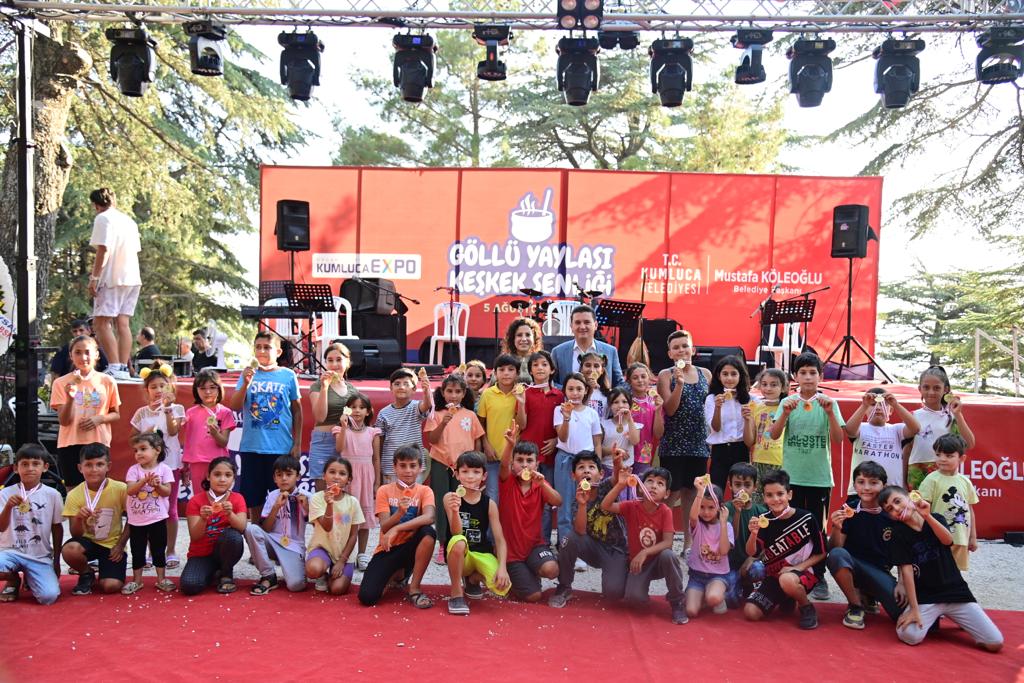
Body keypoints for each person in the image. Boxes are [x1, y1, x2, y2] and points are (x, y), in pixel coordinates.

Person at [880, 486, 1002, 651]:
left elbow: (947, 540)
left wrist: (927, 516)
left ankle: (957, 616)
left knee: (995, 642)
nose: (896, 508)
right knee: (909, 635)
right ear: (890, 516)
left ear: (911, 497)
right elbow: (907, 572)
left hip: (955, 592)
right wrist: (914, 609)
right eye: (890, 509)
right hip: (927, 597)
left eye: (897, 501)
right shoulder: (897, 534)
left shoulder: (936, 518)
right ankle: (934, 615)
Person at [769, 351, 844, 599]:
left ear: (821, 376)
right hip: (792, 478)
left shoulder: (829, 403)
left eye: (813, 372)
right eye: (803, 372)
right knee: (789, 525)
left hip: (819, 478)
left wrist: (830, 413)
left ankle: (819, 576)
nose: (808, 377)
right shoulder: (787, 402)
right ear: (795, 376)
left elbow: (838, 438)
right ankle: (784, 571)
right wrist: (785, 413)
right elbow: (774, 434)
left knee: (817, 530)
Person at [228, 331, 302, 521]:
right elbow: (234, 405)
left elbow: (297, 410)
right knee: (254, 500)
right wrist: (246, 383)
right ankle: (257, 536)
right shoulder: (247, 374)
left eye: (267, 347)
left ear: (278, 351)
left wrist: (297, 443)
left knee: (282, 497)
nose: (262, 351)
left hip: (280, 447)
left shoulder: (288, 375)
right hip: (252, 447)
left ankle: (282, 536)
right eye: (258, 347)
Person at [600, 467, 688, 625]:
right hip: (638, 565)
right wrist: (620, 485)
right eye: (650, 481)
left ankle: (677, 601)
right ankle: (633, 586)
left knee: (668, 555)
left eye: (660, 483)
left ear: (667, 494)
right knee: (634, 599)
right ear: (640, 487)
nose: (654, 486)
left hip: (658, 563)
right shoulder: (631, 506)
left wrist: (645, 552)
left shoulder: (665, 511)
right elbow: (605, 505)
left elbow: (668, 543)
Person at [743, 469, 827, 630]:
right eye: (769, 495)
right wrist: (753, 534)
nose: (775, 499)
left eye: (780, 494)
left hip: (804, 573)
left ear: (789, 494)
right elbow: (751, 553)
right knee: (751, 612)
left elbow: (822, 552)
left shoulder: (807, 518)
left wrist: (796, 568)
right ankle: (788, 597)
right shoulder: (763, 520)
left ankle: (806, 607)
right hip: (775, 575)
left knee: (787, 580)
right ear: (764, 498)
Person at [357, 445, 437, 608]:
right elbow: (385, 527)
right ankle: (398, 574)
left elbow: (429, 517)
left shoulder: (425, 491)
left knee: (428, 532)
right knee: (367, 597)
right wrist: (399, 512)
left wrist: (397, 528)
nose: (408, 470)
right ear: (394, 467)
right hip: (388, 548)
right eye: (403, 465)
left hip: (412, 547)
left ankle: (414, 588)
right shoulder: (384, 490)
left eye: (412, 466)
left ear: (420, 468)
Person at [826, 461, 903, 630]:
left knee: (902, 614)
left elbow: (904, 553)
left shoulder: (891, 514)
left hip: (880, 571)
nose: (866, 488)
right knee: (837, 555)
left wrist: (902, 583)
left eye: (873, 483)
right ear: (854, 485)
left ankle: (869, 594)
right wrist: (837, 528)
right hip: (853, 567)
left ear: (884, 486)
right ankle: (855, 605)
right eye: (861, 482)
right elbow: (834, 549)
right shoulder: (849, 509)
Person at [548, 450, 629, 608]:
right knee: (568, 539)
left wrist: (617, 462)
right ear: (573, 476)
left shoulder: (606, 486)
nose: (586, 471)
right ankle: (564, 586)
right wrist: (582, 504)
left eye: (591, 467)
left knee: (613, 593)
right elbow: (580, 532)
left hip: (616, 551)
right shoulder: (575, 502)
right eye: (581, 467)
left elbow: (617, 477)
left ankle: (622, 573)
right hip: (594, 550)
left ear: (601, 474)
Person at [657, 330, 711, 552]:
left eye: (685, 346)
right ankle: (662, 541)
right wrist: (679, 384)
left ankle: (689, 543)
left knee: (691, 495)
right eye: (676, 347)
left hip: (699, 444)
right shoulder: (665, 375)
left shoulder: (706, 374)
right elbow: (670, 410)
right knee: (671, 494)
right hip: (673, 444)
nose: (681, 350)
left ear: (693, 349)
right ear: (670, 353)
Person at [129, 360, 186, 569]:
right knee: (148, 507)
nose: (158, 390)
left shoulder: (177, 409)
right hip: (146, 468)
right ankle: (150, 552)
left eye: (162, 385)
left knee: (170, 508)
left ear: (170, 387)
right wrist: (146, 434)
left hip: (170, 466)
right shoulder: (141, 413)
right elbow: (132, 439)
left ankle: (170, 551)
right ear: (147, 390)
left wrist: (168, 409)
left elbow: (173, 431)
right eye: (153, 387)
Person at [442, 451, 512, 615]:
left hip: (481, 553)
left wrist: (502, 568)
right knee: (459, 541)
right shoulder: (450, 497)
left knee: (502, 586)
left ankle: (472, 579)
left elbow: (500, 540)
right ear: (457, 475)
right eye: (465, 471)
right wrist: (455, 511)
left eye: (476, 472)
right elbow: (456, 532)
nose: (470, 476)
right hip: (459, 553)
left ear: (484, 476)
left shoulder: (490, 504)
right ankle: (456, 593)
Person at [50, 335, 121, 489]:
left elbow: (116, 414)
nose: (83, 357)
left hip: (98, 442)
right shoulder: (60, 383)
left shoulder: (107, 381)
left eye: (87, 352)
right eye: (78, 352)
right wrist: (70, 398)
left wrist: (99, 419)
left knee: (98, 490)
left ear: (96, 354)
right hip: (70, 443)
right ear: (71, 355)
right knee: (73, 492)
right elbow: (64, 421)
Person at [425, 374, 484, 558]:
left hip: (464, 467)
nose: (453, 395)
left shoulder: (470, 415)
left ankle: (460, 540)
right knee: (442, 502)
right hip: (441, 463)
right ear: (442, 392)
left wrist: (477, 465)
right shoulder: (436, 414)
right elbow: (432, 439)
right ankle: (443, 542)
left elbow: (477, 441)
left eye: (458, 391)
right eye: (449, 391)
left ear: (464, 393)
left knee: (462, 502)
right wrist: (443, 423)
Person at [498, 431, 561, 603]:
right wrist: (510, 445)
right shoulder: (507, 481)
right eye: (519, 460)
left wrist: (543, 485)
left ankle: (531, 571)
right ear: (513, 464)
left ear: (537, 464)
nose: (525, 465)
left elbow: (558, 501)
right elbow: (503, 465)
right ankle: (517, 577)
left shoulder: (540, 483)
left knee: (552, 570)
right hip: (512, 553)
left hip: (535, 546)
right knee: (534, 596)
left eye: (529, 460)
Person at [87, 187, 141, 380]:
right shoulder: (129, 221)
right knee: (123, 323)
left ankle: (115, 366)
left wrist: (94, 277)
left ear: (96, 205)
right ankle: (123, 368)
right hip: (132, 277)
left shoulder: (103, 218)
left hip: (112, 278)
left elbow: (104, 249)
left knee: (101, 322)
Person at [60, 443, 129, 595]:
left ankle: (107, 571)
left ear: (108, 466)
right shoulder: (74, 495)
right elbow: (75, 534)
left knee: (111, 586)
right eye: (88, 465)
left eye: (99, 464)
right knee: (70, 550)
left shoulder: (121, 489)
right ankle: (86, 573)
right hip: (87, 543)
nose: (94, 469)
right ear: (80, 468)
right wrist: (79, 518)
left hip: (112, 545)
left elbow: (132, 519)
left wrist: (120, 545)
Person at [0, 444, 64, 605]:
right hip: (10, 552)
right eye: (25, 464)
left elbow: (57, 527)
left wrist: (56, 561)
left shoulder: (53, 495)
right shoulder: (4, 493)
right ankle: (13, 579)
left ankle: (31, 576)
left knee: (48, 597)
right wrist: (8, 507)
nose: (30, 468)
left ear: (45, 467)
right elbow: (1, 527)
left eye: (36, 464)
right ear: (16, 468)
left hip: (39, 556)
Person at [180, 457, 247, 595]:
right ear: (208, 476)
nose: (222, 479)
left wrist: (230, 514)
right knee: (189, 586)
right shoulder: (195, 501)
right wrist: (203, 519)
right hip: (201, 554)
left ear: (233, 478)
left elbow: (241, 528)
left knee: (233, 537)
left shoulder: (237, 498)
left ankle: (226, 573)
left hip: (226, 551)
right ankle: (213, 572)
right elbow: (195, 536)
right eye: (217, 474)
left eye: (228, 475)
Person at [245, 455, 309, 594]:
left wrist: (307, 508)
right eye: (279, 475)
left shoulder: (306, 497)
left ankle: (297, 568)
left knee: (296, 586)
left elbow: (318, 525)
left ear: (298, 476)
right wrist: (276, 507)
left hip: (294, 547)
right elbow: (266, 528)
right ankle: (268, 575)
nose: (284, 478)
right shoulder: (272, 496)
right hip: (273, 542)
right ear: (274, 478)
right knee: (251, 529)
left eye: (289, 474)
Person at [122, 432, 176, 594]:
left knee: (159, 549)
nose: (138, 453)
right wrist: (144, 481)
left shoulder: (165, 469)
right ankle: (137, 581)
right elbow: (130, 490)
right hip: (136, 520)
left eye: (143, 449)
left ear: (157, 450)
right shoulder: (133, 470)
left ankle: (161, 579)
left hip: (158, 518)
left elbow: (167, 492)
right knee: (137, 550)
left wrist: (157, 486)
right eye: (136, 450)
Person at [905, 366, 975, 490]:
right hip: (917, 474)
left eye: (937, 388)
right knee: (920, 503)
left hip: (945, 472)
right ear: (920, 389)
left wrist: (958, 415)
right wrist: (902, 479)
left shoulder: (952, 416)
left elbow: (969, 444)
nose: (931, 392)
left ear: (945, 389)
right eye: (926, 387)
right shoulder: (913, 416)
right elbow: (906, 450)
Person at [553, 373, 602, 544]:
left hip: (586, 463)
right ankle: (566, 544)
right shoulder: (559, 410)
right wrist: (567, 417)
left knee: (586, 502)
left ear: (586, 390)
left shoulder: (591, 413)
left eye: (579, 389)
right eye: (571, 389)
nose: (575, 393)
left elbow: (597, 442)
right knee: (565, 505)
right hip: (565, 461)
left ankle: (585, 545)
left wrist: (597, 466)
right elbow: (562, 437)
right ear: (565, 391)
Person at [917, 434, 978, 572]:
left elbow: (970, 510)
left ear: (962, 458)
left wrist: (973, 537)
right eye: (938, 454)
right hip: (938, 538)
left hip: (961, 538)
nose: (942, 459)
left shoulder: (965, 482)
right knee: (937, 572)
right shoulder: (931, 480)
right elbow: (922, 511)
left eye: (949, 455)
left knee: (956, 573)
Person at [334, 393, 381, 571]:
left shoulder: (373, 432)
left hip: (366, 477)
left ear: (368, 411)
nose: (357, 411)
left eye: (361, 407)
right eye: (353, 407)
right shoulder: (340, 430)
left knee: (364, 516)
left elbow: (376, 458)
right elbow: (339, 448)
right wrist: (343, 427)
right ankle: (345, 554)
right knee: (346, 516)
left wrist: (377, 483)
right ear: (346, 410)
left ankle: (362, 554)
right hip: (347, 476)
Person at [305, 456, 364, 595]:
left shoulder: (353, 502)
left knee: (337, 589)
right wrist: (330, 505)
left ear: (349, 480)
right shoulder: (317, 498)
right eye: (332, 472)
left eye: (342, 473)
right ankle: (322, 573)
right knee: (313, 569)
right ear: (324, 476)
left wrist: (342, 561)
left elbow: (353, 535)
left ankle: (331, 575)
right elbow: (327, 527)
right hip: (323, 549)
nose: (336, 477)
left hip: (344, 554)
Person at [845, 387, 920, 491]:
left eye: (884, 404)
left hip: (891, 492)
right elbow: (849, 430)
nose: (878, 408)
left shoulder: (897, 430)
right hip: (862, 491)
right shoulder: (860, 428)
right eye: (873, 404)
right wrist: (864, 405)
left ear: (891, 410)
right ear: (865, 409)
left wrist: (895, 404)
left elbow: (915, 428)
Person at [308, 342, 358, 487]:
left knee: (344, 491)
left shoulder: (353, 390)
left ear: (347, 362)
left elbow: (356, 418)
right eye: (330, 360)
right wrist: (325, 387)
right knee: (322, 491)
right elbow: (320, 417)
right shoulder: (318, 385)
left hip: (346, 442)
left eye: (339, 360)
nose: (334, 364)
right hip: (323, 441)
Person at [515, 350, 564, 495]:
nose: (540, 368)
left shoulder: (559, 395)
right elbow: (521, 425)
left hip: (550, 454)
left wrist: (556, 440)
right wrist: (521, 403)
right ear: (530, 370)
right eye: (535, 365)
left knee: (547, 493)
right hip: (528, 454)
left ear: (552, 370)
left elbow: (564, 424)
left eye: (544, 364)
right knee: (527, 493)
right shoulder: (524, 393)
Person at [180, 369, 236, 494]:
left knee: (219, 496)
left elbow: (223, 442)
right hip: (197, 462)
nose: (208, 392)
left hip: (219, 463)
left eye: (212, 387)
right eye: (202, 388)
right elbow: (188, 441)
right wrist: (185, 465)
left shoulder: (225, 412)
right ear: (196, 390)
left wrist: (215, 434)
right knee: (200, 496)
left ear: (219, 389)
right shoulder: (190, 412)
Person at [686, 478, 735, 618]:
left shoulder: (727, 526)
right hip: (697, 576)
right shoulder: (697, 525)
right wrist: (700, 492)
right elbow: (693, 517)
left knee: (713, 598)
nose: (706, 512)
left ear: (719, 507)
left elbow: (724, 551)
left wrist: (723, 523)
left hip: (718, 576)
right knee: (691, 611)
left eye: (711, 507)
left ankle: (717, 596)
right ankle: (702, 596)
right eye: (702, 507)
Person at [704, 355, 754, 492]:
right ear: (719, 376)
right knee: (716, 490)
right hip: (720, 449)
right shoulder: (712, 399)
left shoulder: (750, 399)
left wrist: (748, 418)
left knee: (741, 492)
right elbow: (715, 428)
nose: (729, 378)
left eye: (734, 374)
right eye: (725, 374)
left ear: (740, 376)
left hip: (741, 448)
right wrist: (718, 407)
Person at [375, 367, 432, 485]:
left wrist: (426, 391)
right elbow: (380, 442)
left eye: (406, 384)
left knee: (414, 496)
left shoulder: (415, 407)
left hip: (413, 467)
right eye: (397, 384)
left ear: (414, 389)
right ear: (391, 388)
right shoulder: (383, 413)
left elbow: (427, 405)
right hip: (390, 468)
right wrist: (378, 469)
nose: (401, 387)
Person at [477, 354, 521, 501]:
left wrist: (521, 402)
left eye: (511, 369)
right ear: (495, 373)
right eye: (501, 370)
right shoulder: (487, 394)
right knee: (492, 495)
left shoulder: (522, 394)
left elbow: (523, 423)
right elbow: (480, 422)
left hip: (515, 455)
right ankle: (492, 519)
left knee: (513, 496)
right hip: (493, 454)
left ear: (517, 373)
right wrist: (486, 445)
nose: (506, 373)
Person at [724, 462, 767, 605]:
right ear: (730, 485)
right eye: (737, 485)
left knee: (758, 569)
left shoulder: (762, 512)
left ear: (755, 487)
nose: (742, 490)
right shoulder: (726, 509)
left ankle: (748, 585)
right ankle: (737, 584)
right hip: (729, 564)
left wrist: (753, 559)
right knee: (731, 601)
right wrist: (737, 512)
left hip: (751, 563)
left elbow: (768, 544)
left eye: (747, 485)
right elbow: (732, 538)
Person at [551, 305, 623, 388]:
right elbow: (551, 382)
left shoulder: (610, 351)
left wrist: (607, 393)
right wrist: (569, 390)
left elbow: (619, 383)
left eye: (587, 322)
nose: (582, 327)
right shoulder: (558, 352)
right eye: (577, 323)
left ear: (595, 325)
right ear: (571, 326)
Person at [749, 368, 787, 504]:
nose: (768, 388)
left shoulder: (787, 408)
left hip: (780, 461)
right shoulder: (755, 406)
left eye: (773, 384)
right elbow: (751, 439)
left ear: (783, 387)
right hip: (758, 460)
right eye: (764, 384)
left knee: (777, 500)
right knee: (757, 500)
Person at [624, 362, 664, 478]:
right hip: (625, 451)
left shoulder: (655, 402)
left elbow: (658, 434)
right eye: (635, 378)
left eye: (643, 376)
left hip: (644, 454)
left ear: (649, 378)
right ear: (629, 381)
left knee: (640, 484)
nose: (640, 380)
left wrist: (658, 410)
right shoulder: (624, 401)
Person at [600, 388, 641, 483]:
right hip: (607, 468)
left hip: (626, 470)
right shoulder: (603, 425)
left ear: (630, 405)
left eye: (624, 402)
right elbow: (599, 449)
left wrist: (630, 419)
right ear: (609, 405)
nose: (620, 405)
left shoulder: (634, 425)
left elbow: (635, 441)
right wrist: (617, 451)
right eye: (615, 402)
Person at [501, 317, 544, 382]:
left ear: (534, 338)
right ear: (513, 338)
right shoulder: (504, 361)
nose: (524, 339)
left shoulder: (542, 361)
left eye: (528, 335)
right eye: (519, 335)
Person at [580, 351, 610, 418]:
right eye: (588, 365)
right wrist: (590, 390)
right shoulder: (575, 390)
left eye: (596, 366)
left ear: (602, 370)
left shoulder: (608, 393)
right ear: (581, 369)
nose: (592, 369)